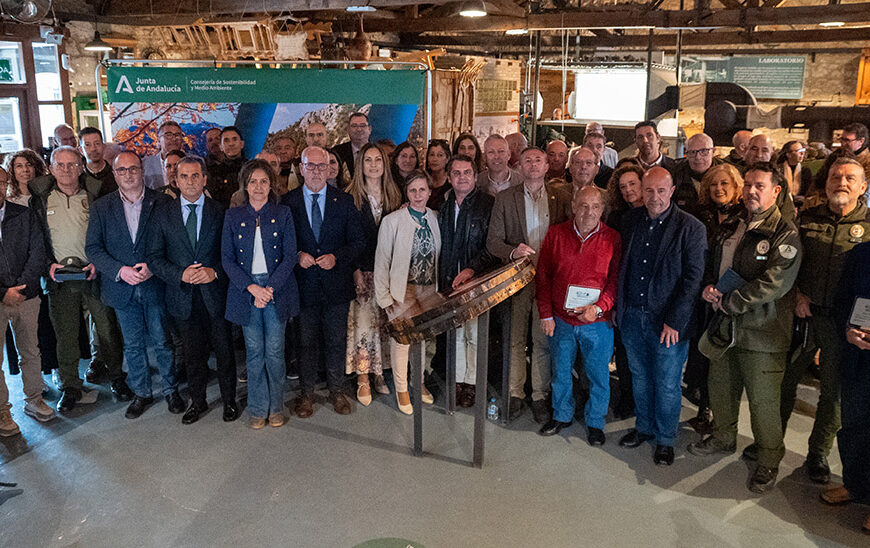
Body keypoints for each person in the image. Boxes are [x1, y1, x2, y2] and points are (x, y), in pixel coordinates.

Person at [688, 162, 802, 494]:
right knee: (720, 387)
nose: (752, 190)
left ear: (775, 191)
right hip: (725, 325)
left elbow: (774, 284)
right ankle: (723, 438)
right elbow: (715, 263)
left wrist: (730, 301)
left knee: (763, 401)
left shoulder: (785, 233)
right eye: (748, 184)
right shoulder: (734, 224)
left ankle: (768, 459)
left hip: (763, 332)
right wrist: (710, 287)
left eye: (760, 186)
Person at [780, 158, 870, 484]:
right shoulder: (807, 220)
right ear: (826, 182)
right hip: (803, 316)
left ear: (863, 186)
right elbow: (789, 264)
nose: (841, 182)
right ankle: (772, 444)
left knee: (831, 393)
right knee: (784, 383)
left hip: (843, 326)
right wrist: (799, 295)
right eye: (835, 176)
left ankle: (817, 453)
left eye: (850, 178)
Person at [30, 146, 132, 412]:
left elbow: (109, 233)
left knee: (107, 329)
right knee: (65, 334)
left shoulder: (95, 194)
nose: (67, 170)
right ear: (51, 168)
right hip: (58, 277)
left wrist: (101, 264)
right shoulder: (40, 198)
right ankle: (70, 386)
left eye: (72, 165)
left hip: (94, 273)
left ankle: (117, 377)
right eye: (60, 165)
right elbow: (36, 240)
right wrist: (46, 265)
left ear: (81, 166)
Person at [617, 166, 706, 466]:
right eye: (649, 190)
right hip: (632, 316)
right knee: (640, 377)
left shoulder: (691, 227)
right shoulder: (629, 221)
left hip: (666, 322)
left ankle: (665, 439)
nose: (654, 197)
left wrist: (675, 321)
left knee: (667, 383)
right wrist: (619, 307)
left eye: (660, 190)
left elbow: (693, 279)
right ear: (641, 191)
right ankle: (644, 427)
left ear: (671, 191)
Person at [85, 151, 183, 419]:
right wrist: (120, 271)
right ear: (114, 174)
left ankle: (172, 389)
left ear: (142, 171)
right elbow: (93, 248)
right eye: (122, 170)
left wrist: (154, 266)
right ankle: (142, 392)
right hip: (121, 287)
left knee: (163, 341)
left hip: (155, 285)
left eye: (133, 169)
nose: (128, 174)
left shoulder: (162, 202)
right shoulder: (101, 207)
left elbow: (174, 242)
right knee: (133, 345)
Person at [146, 155, 240, 425]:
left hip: (215, 296)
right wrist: (180, 274)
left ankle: (229, 401)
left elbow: (231, 254)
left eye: (195, 176)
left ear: (204, 178)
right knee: (192, 355)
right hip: (182, 297)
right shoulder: (162, 214)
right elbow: (154, 257)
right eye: (184, 176)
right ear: (175, 180)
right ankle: (197, 403)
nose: (190, 181)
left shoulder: (220, 211)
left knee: (224, 352)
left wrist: (215, 272)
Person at [486, 147, 572, 423]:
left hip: (550, 281)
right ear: (519, 166)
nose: (533, 165)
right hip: (517, 280)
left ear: (548, 166)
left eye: (539, 160)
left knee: (542, 340)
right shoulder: (505, 199)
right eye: (527, 161)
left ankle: (539, 394)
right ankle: (514, 393)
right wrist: (513, 251)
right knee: (515, 339)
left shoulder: (562, 197)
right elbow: (493, 242)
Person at [281, 146, 364, 418]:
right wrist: (296, 256)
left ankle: (337, 391)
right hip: (303, 287)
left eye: (322, 165)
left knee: (336, 341)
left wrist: (336, 257)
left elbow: (358, 243)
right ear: (301, 168)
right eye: (311, 165)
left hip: (336, 286)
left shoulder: (345, 201)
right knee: (304, 342)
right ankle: (306, 395)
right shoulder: (286, 203)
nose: (317, 171)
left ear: (330, 169)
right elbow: (278, 245)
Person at [537, 186, 621, 442]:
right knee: (560, 371)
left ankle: (596, 422)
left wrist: (599, 307)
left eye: (595, 207)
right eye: (584, 205)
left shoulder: (613, 238)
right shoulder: (555, 234)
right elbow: (543, 276)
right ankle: (561, 415)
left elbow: (615, 279)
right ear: (573, 206)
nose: (589, 212)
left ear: (603, 210)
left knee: (598, 374)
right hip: (561, 321)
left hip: (597, 321)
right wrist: (546, 314)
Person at [222, 159, 299, 429]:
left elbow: (290, 256)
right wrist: (252, 288)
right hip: (247, 290)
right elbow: (227, 259)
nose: (258, 186)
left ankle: (276, 406)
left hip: (275, 288)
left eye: (264, 181)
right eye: (253, 181)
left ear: (271, 184)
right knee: (254, 353)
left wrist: (269, 289)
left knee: (276, 352)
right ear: (245, 184)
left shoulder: (284, 213)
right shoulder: (233, 216)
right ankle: (257, 408)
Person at [683, 163, 745, 433]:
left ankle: (722, 419)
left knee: (723, 360)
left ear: (736, 188)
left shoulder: (746, 216)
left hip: (730, 295)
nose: (718, 189)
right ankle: (703, 408)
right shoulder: (700, 215)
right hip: (701, 293)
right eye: (713, 185)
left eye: (724, 184)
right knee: (701, 354)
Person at [374, 171, 441, 414]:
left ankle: (418, 382)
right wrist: (384, 297)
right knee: (402, 341)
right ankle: (402, 389)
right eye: (413, 190)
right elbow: (382, 260)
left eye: (422, 190)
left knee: (422, 338)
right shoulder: (392, 221)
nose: (417, 195)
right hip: (403, 290)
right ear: (406, 193)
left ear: (430, 192)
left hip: (428, 289)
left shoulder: (434, 218)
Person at [344, 144, 402, 406]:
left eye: (378, 159)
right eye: (368, 160)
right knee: (365, 327)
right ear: (361, 165)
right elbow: (346, 239)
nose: (373, 165)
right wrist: (355, 269)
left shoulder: (394, 195)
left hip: (388, 273)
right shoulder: (350, 196)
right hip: (363, 271)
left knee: (383, 326)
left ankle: (380, 374)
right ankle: (363, 377)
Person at [819, 239, 870, 534]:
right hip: (857, 355)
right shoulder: (861, 253)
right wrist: (847, 330)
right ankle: (855, 485)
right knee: (853, 424)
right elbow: (842, 302)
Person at [0, 165, 55, 437]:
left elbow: (37, 251)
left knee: (31, 352)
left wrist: (20, 287)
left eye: (0, 182)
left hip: (26, 295)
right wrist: (3, 292)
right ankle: (3, 412)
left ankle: (35, 400)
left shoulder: (23, 214)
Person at [437, 154, 495, 408]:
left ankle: (472, 383)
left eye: (467, 172)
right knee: (457, 334)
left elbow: (493, 245)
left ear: (475, 175)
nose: (462, 177)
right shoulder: (444, 206)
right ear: (449, 177)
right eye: (457, 173)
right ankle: (457, 381)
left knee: (474, 335)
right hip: (451, 282)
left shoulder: (488, 204)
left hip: (477, 282)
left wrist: (473, 269)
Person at [603, 163, 646, 420]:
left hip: (647, 294)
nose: (629, 190)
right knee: (624, 351)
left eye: (633, 184)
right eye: (623, 187)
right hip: (623, 291)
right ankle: (628, 398)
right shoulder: (618, 218)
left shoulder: (655, 213)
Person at [740, 136, 796, 224]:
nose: (759, 155)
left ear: (771, 154)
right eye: (754, 149)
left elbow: (787, 213)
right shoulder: (735, 176)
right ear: (746, 151)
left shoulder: (780, 180)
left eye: (765, 150)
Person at [672, 133, 718, 217]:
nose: (698, 157)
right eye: (692, 152)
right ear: (686, 154)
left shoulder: (726, 173)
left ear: (713, 152)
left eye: (704, 151)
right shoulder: (674, 173)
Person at [207, 126, 247, 209]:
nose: (231, 144)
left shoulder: (251, 169)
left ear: (242, 144)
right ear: (221, 147)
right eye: (226, 140)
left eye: (234, 139)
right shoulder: (212, 172)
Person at [143, 121, 186, 190]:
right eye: (168, 135)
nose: (174, 139)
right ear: (158, 140)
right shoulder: (145, 164)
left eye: (177, 135)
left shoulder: (196, 161)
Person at [605, 163, 645, 230]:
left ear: (643, 184)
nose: (628, 189)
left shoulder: (653, 211)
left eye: (632, 184)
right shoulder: (615, 218)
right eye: (623, 187)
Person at [79, 128, 117, 198]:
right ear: (81, 150)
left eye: (97, 143)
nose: (93, 149)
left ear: (103, 146)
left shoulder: (116, 175)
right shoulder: (78, 177)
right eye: (87, 145)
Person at [776, 140, 813, 205]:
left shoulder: (806, 171)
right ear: (788, 154)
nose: (802, 153)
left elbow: (809, 191)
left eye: (803, 150)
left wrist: (804, 198)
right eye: (799, 151)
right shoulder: (778, 170)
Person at [425, 139, 451, 211]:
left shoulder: (451, 181)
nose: (435, 159)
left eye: (440, 155)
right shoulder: (423, 179)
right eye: (432, 155)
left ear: (447, 159)